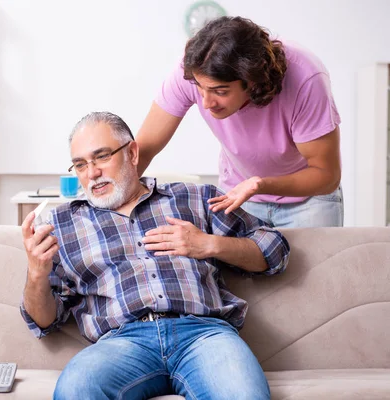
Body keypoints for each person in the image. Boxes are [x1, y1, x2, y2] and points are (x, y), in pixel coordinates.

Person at [20, 111, 290, 399]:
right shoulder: (61, 225)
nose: (92, 173)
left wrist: (210, 245)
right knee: (76, 389)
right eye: (80, 165)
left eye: (101, 157)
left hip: (204, 335)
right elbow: (44, 321)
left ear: (132, 153)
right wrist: (37, 273)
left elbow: (275, 249)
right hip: (121, 344)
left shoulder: (193, 198)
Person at [135, 16, 342, 228]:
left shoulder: (305, 79)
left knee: (318, 261)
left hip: (307, 198)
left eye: (220, 91)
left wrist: (260, 185)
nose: (206, 102)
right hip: (239, 194)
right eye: (199, 88)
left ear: (252, 80)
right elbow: (144, 149)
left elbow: (326, 175)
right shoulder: (194, 72)